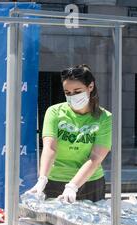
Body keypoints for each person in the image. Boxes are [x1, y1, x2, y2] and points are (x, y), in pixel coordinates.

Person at [26, 64, 112, 203]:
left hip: (90, 182)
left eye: (77, 91)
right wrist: (42, 178)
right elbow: (50, 148)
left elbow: (96, 157)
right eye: (68, 93)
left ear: (90, 87)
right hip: (55, 181)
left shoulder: (105, 118)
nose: (72, 96)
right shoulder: (54, 112)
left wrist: (73, 186)